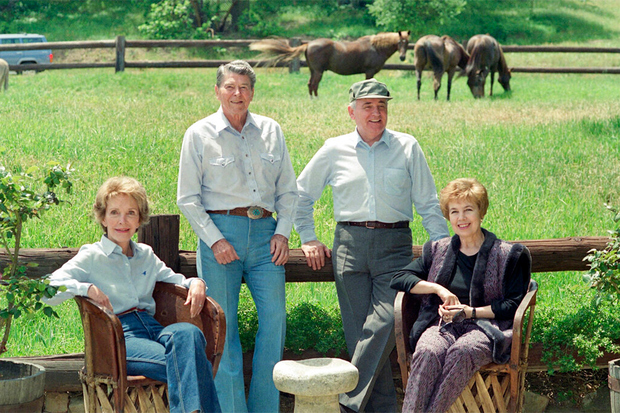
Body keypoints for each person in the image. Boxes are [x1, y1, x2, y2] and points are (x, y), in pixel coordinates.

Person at [295, 78, 449, 413]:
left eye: (382, 105)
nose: (376, 112)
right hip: (349, 245)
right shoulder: (334, 149)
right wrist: (307, 237)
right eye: (368, 106)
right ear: (352, 112)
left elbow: (428, 203)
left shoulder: (408, 146)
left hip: (394, 246)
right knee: (361, 337)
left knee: (381, 326)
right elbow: (301, 196)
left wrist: (441, 250)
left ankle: (345, 403)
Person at [177, 60, 298, 413]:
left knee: (274, 321)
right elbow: (187, 198)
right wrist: (214, 239)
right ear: (217, 91)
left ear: (252, 92)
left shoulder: (272, 130)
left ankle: (265, 408)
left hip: (266, 236)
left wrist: (283, 232)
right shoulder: (198, 134)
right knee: (222, 328)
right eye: (230, 87)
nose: (237, 94)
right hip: (220, 235)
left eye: (244, 87)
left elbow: (288, 191)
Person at [45, 176, 221, 413]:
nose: (122, 221)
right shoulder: (92, 256)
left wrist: (197, 282)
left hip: (155, 329)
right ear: (103, 217)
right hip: (120, 337)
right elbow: (47, 288)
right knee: (191, 361)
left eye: (131, 213)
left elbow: (177, 281)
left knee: (188, 334)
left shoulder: (145, 255)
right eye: (115, 212)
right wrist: (86, 288)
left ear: (140, 219)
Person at [390, 178, 532, 413]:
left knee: (462, 352)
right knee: (426, 351)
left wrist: (470, 312)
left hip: (487, 327)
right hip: (443, 325)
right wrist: (438, 289)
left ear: (481, 212)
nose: (461, 218)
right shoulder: (437, 250)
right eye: (454, 211)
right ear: (448, 216)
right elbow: (399, 278)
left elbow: (512, 304)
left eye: (468, 210)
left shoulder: (509, 255)